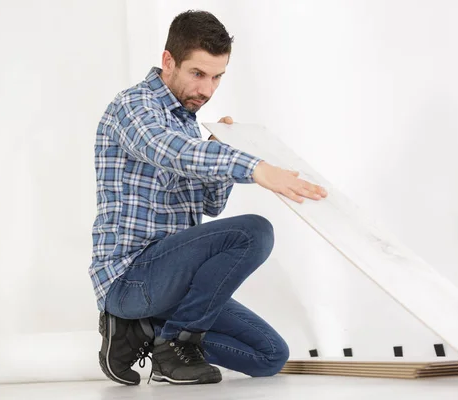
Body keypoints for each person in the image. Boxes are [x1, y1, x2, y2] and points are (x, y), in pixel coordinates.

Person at [90, 9, 328, 386]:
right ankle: (171, 345)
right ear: (168, 61)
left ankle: (149, 332)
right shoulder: (134, 107)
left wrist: (220, 146)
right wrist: (256, 167)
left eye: (217, 77)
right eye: (197, 74)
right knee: (253, 232)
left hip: (173, 283)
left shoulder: (186, 119)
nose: (207, 90)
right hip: (131, 281)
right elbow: (172, 152)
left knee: (270, 355)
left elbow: (210, 206)